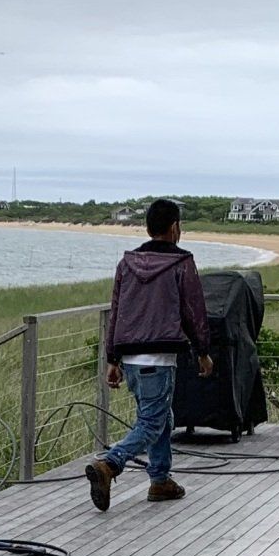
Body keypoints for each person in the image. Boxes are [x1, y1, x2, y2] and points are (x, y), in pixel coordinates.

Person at [87, 197, 214, 510]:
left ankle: (160, 481)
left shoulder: (126, 263)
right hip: (159, 357)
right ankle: (110, 464)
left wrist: (113, 358)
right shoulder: (181, 263)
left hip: (130, 358)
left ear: (148, 226)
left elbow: (117, 311)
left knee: (160, 417)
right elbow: (193, 310)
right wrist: (203, 351)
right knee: (152, 423)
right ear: (174, 228)